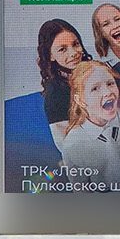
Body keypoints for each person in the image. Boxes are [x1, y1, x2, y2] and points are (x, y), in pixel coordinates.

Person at [60, 59, 120, 189]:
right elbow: (81, 190)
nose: (107, 92)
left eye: (110, 83)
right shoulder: (73, 144)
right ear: (80, 100)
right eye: (95, 89)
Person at [35, 18, 90, 147]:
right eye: (62, 49)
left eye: (75, 44)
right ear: (50, 56)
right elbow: (66, 146)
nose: (73, 53)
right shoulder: (55, 94)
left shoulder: (96, 73)